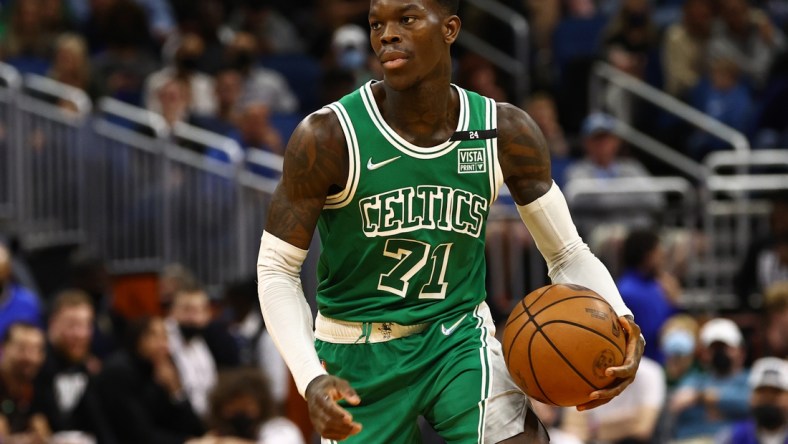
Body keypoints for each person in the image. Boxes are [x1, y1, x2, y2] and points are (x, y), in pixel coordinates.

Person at [255, 0, 645, 443]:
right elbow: (277, 270)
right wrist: (310, 378)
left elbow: (568, 252)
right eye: (376, 24)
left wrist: (622, 320)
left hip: (456, 337)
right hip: (355, 352)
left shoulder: (504, 131)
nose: (387, 35)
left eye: (406, 19)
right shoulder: (327, 136)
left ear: (450, 28)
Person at [95, 316, 204, 444]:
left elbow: (196, 429)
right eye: (155, 337)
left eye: (165, 337)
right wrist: (187, 442)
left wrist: (176, 391)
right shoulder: (119, 371)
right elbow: (138, 434)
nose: (163, 344)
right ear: (137, 339)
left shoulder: (164, 366)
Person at [670, 318, 751, 443]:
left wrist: (700, 398)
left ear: (740, 351)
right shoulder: (694, 379)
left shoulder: (750, 379)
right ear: (705, 353)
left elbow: (749, 403)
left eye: (724, 348)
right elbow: (678, 403)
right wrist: (725, 407)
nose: (719, 353)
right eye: (714, 348)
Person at [716, 356, 788, 444]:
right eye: (762, 394)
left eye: (775, 393)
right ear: (751, 397)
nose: (768, 400)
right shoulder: (733, 436)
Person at [0, 322, 50, 444]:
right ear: (4, 348)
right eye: (22, 348)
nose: (30, 357)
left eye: (36, 350)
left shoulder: (37, 387)